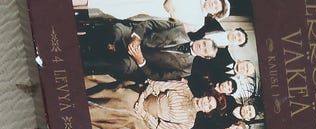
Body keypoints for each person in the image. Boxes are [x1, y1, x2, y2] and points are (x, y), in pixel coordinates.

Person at [87, 77, 218, 129]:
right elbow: (157, 85)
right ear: (205, 95)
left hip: (146, 122)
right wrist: (142, 99)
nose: (205, 103)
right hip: (144, 97)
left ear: (207, 111)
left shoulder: (189, 122)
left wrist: (143, 113)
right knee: (126, 99)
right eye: (208, 99)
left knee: (128, 118)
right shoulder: (184, 88)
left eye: (209, 106)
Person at [77, 17, 219, 80]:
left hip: (137, 61)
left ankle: (82, 63)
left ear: (204, 57)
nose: (201, 46)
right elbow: (149, 24)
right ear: (202, 39)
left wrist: (140, 61)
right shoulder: (179, 28)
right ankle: (78, 40)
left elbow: (156, 76)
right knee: (116, 31)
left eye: (205, 50)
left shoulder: (185, 70)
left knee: (123, 65)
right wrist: (136, 38)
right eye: (204, 43)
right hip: (133, 36)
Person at [73, 0, 230, 33]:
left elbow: (176, 28)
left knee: (114, 7)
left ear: (214, 14)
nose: (213, 3)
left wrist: (173, 12)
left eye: (216, 7)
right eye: (215, 1)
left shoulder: (198, 22)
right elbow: (169, 4)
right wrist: (172, 9)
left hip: (152, 10)